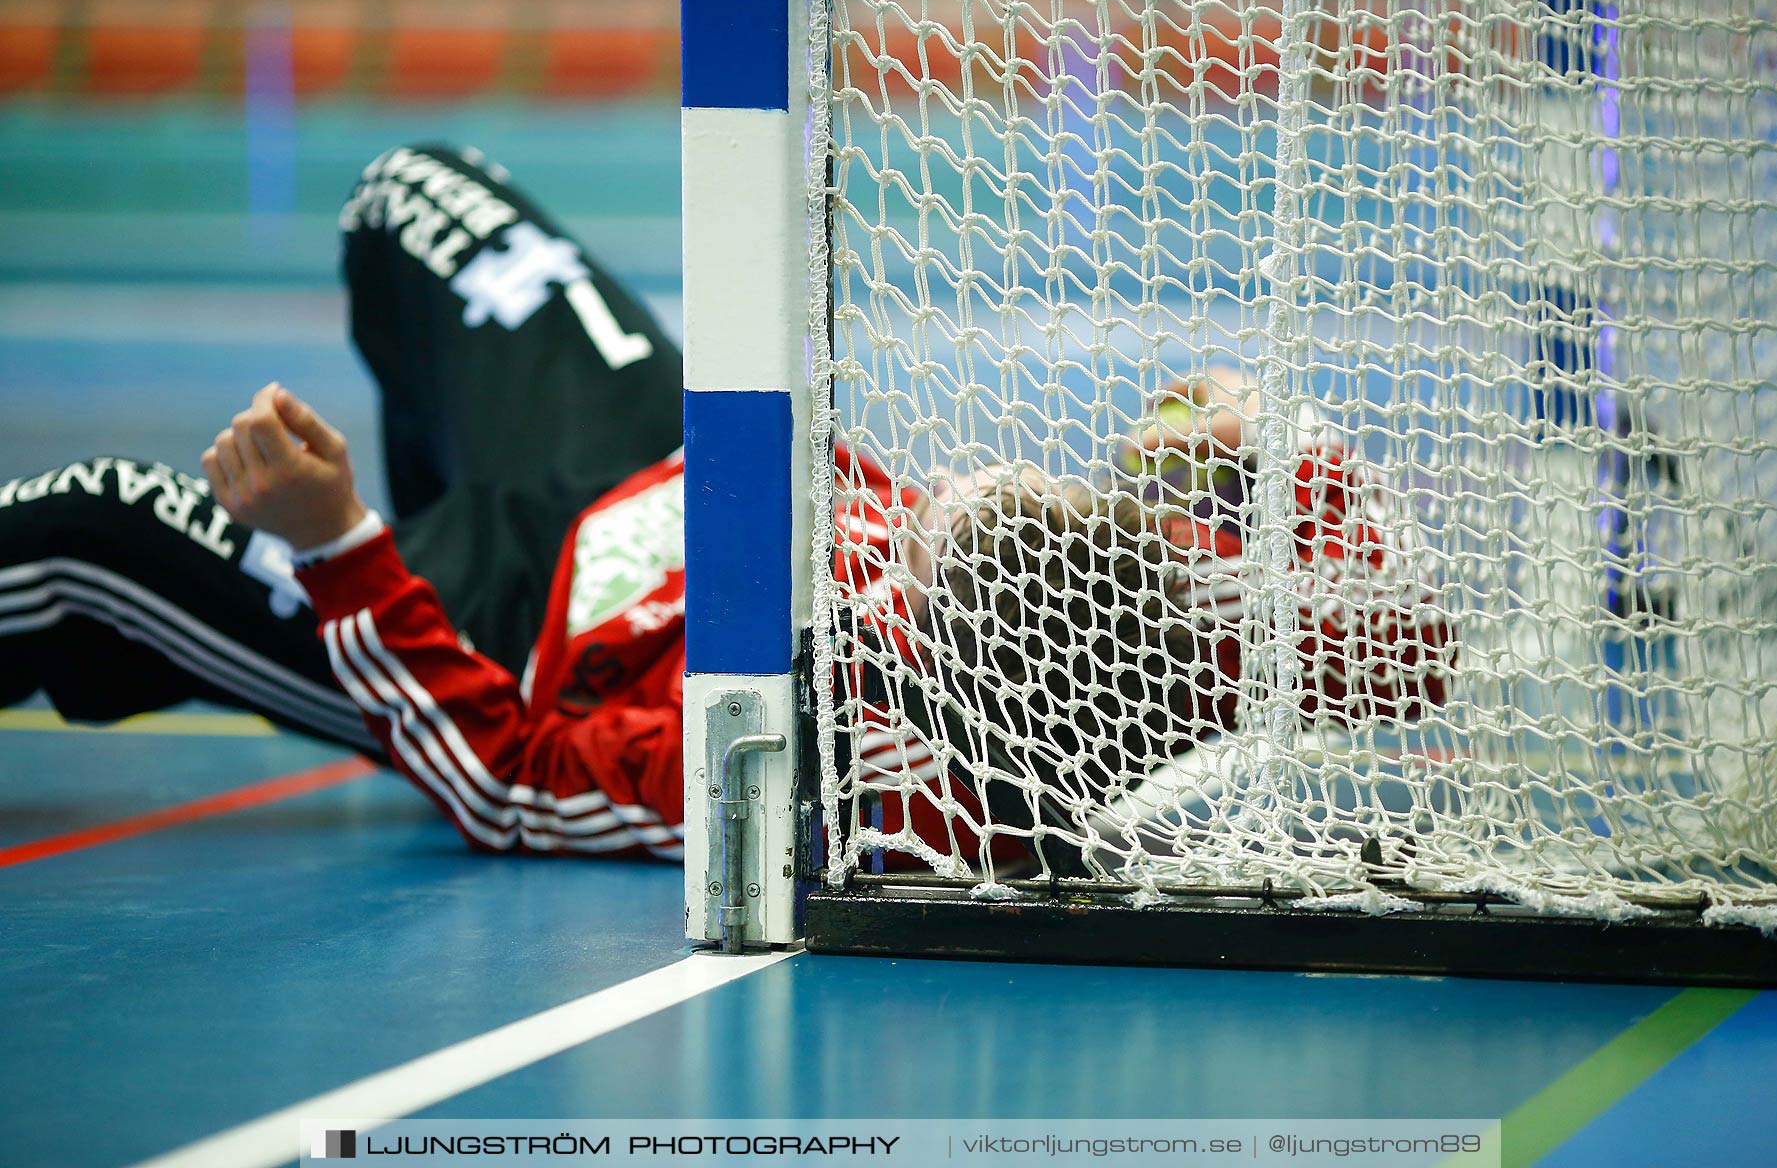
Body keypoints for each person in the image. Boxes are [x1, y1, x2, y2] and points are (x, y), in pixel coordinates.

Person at [0, 144, 1452, 865]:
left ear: (936, 622)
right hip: (658, 456)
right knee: (411, 193)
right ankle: (237, 608)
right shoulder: (1138, 605)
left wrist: (339, 547)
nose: (951, 483)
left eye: (955, 511)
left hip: (483, 627)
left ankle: (259, 619)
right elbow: (1409, 639)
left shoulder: (802, 750)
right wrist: (1268, 445)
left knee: (87, 527)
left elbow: (511, 781)